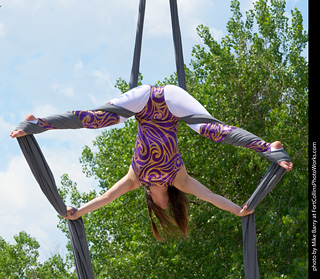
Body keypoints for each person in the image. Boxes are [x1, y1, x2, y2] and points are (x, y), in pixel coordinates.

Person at [10, 85, 293, 241]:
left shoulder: (135, 179)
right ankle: (270, 148)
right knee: (211, 131)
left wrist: (77, 211)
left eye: (161, 210)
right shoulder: (178, 180)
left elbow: (106, 197)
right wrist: (237, 210)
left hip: (144, 101)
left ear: (151, 200)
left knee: (99, 119)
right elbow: (210, 196)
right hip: (170, 101)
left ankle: (39, 123)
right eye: (170, 207)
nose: (166, 206)